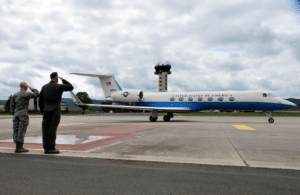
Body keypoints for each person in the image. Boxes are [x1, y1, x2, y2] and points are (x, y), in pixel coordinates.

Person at [39, 72, 73, 154]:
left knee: (45, 129)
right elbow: (71, 87)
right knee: (52, 129)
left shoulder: (44, 87)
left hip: (46, 110)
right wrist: (64, 80)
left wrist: (42, 111)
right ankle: (51, 148)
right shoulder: (58, 86)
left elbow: (40, 101)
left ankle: (46, 148)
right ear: (56, 78)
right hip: (55, 110)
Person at [11, 82, 39, 153]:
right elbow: (37, 94)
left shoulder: (15, 94)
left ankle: (17, 147)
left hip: (16, 114)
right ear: (25, 86)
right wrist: (31, 88)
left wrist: (14, 113)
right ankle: (20, 147)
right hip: (23, 115)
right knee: (21, 130)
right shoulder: (26, 94)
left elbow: (12, 106)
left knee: (16, 130)